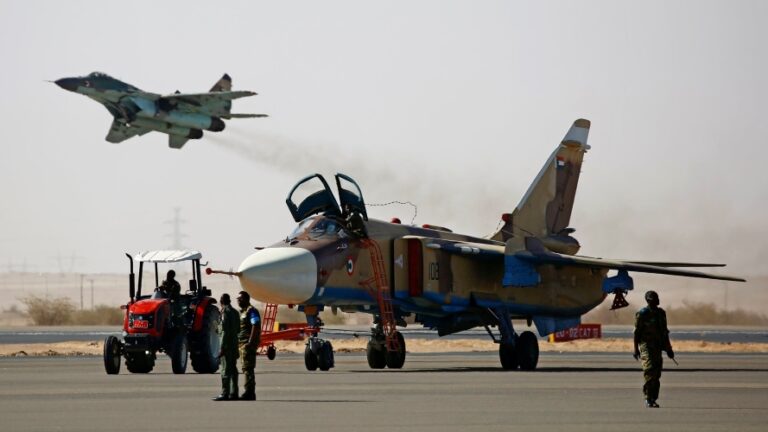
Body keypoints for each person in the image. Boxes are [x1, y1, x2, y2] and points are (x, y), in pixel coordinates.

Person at [633, 290, 675, 408]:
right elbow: (637, 333)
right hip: (646, 346)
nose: (657, 300)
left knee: (656, 374)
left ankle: (653, 398)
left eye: (657, 298)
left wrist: (669, 349)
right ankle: (648, 397)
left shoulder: (661, 313)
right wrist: (636, 349)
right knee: (649, 370)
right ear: (648, 300)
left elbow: (664, 332)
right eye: (654, 298)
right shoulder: (642, 314)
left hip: (657, 346)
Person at [213, 293, 240, 401]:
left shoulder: (225, 313)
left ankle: (225, 393)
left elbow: (224, 331)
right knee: (233, 369)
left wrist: (222, 347)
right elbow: (238, 329)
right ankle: (234, 393)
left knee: (225, 369)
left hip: (227, 345)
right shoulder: (235, 312)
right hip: (234, 345)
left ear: (221, 302)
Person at [236, 291, 261, 401]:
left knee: (248, 368)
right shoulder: (242, 312)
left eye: (240, 299)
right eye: (237, 299)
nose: (238, 300)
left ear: (246, 299)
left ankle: (249, 392)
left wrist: (250, 342)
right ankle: (248, 391)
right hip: (241, 343)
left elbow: (255, 325)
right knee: (245, 368)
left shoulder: (251, 311)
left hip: (247, 344)